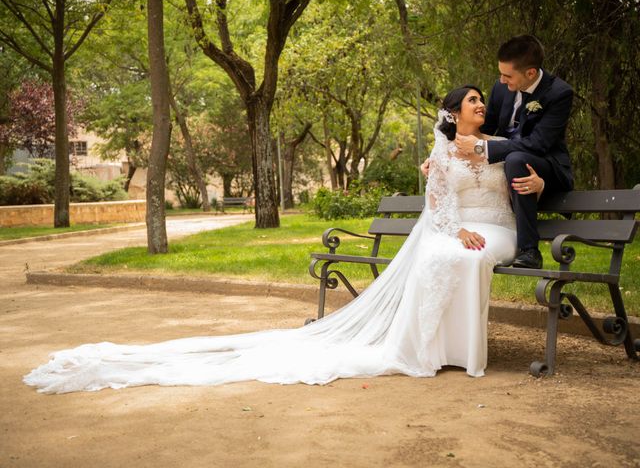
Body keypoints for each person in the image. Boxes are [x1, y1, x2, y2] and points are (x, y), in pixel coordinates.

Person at [24, 86, 529, 394]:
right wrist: (454, 225)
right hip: (460, 227)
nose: (482, 104)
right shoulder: (439, 156)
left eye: (483, 100)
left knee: (458, 258)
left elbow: (525, 163)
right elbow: (439, 206)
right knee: (444, 254)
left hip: (497, 226)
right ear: (452, 112)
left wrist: (535, 183)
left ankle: (463, 352)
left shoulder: (501, 144)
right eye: (473, 100)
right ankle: (433, 350)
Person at [454, 35, 574, 269]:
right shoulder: (502, 87)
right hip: (506, 160)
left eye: (507, 76)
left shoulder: (559, 93)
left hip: (545, 163)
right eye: (500, 73)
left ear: (530, 73)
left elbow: (538, 143)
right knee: (512, 159)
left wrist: (482, 148)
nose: (501, 80)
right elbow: (485, 128)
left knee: (516, 159)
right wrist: (444, 155)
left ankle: (530, 251)